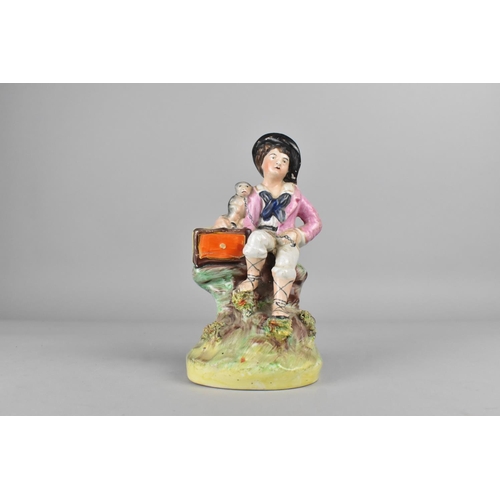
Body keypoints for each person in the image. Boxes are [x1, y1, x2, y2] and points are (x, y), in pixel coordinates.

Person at [215, 133, 322, 320]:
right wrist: (226, 222)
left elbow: (315, 221)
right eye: (273, 156)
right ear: (261, 162)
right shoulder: (253, 194)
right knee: (256, 239)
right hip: (264, 233)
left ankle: (279, 305)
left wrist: (298, 234)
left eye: (285, 160)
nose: (278, 162)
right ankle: (252, 279)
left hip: (285, 238)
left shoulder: (294, 194)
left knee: (286, 263)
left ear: (288, 168)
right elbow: (240, 218)